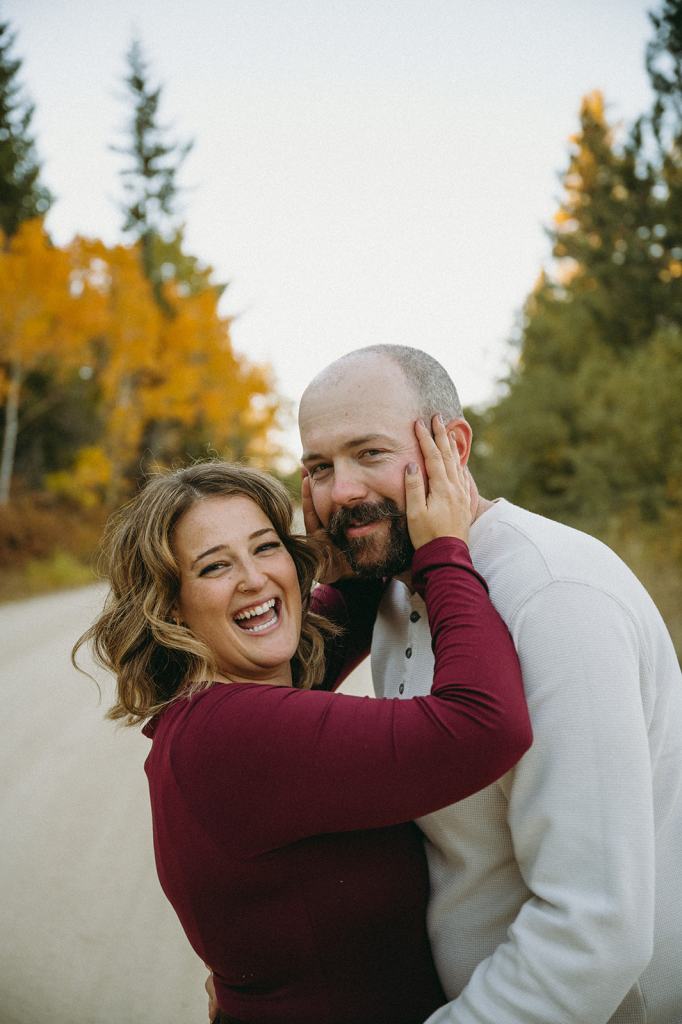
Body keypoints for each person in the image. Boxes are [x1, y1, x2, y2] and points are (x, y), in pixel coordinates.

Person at [74, 419, 531, 1024]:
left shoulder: (216, 708)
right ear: (170, 605)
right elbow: (485, 725)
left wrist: (346, 545)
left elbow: (342, 615)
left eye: (266, 547)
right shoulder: (239, 733)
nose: (255, 578)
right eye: (214, 567)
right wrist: (445, 551)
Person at [298, 343, 682, 1024]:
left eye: (370, 454)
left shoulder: (557, 597)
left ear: (455, 443)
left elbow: (594, 929)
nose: (343, 491)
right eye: (320, 467)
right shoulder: (391, 588)